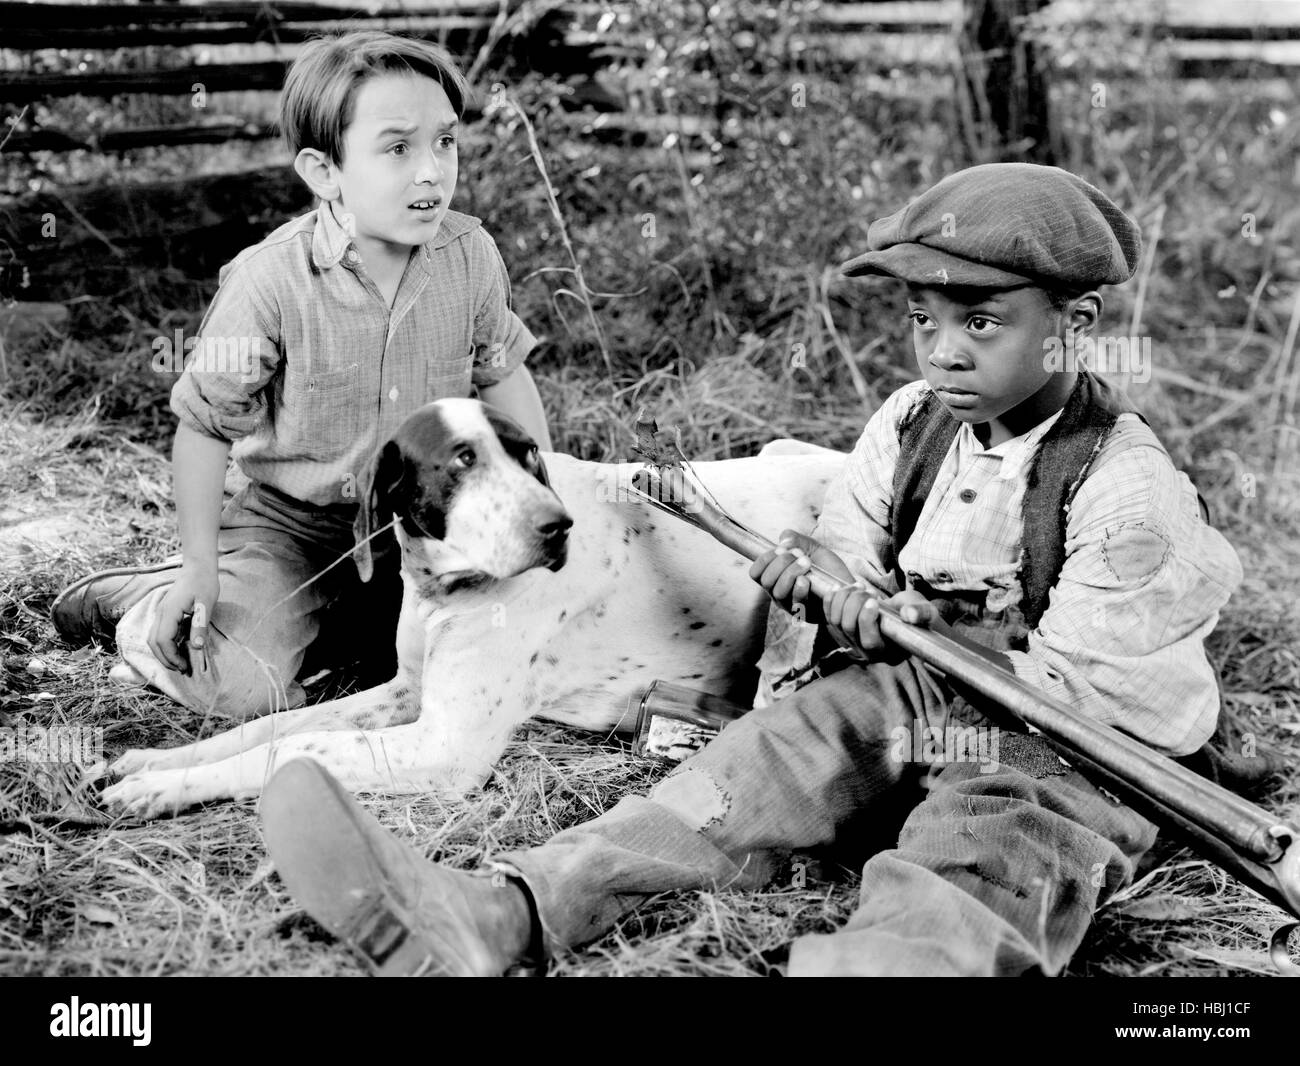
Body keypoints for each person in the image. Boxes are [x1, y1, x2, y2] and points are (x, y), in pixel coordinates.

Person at [257, 162, 1243, 976]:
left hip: (1074, 745)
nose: (941, 351)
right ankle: (499, 913)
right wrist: (829, 587)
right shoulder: (911, 423)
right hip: (921, 691)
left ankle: (897, 963)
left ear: (1073, 322)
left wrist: (916, 645)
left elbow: (1075, 691)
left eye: (979, 322)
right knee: (740, 771)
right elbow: (849, 547)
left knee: (988, 838)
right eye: (920, 319)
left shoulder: (1122, 487)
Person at [52, 32, 549, 717]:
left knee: (500, 657)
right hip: (289, 525)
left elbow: (500, 375)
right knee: (238, 686)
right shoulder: (268, 281)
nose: (432, 171)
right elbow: (202, 427)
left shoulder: (470, 256)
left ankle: (325, 620)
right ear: (323, 171)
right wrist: (199, 567)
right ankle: (153, 597)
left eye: (445, 142)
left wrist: (537, 491)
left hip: (422, 514)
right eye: (398, 148)